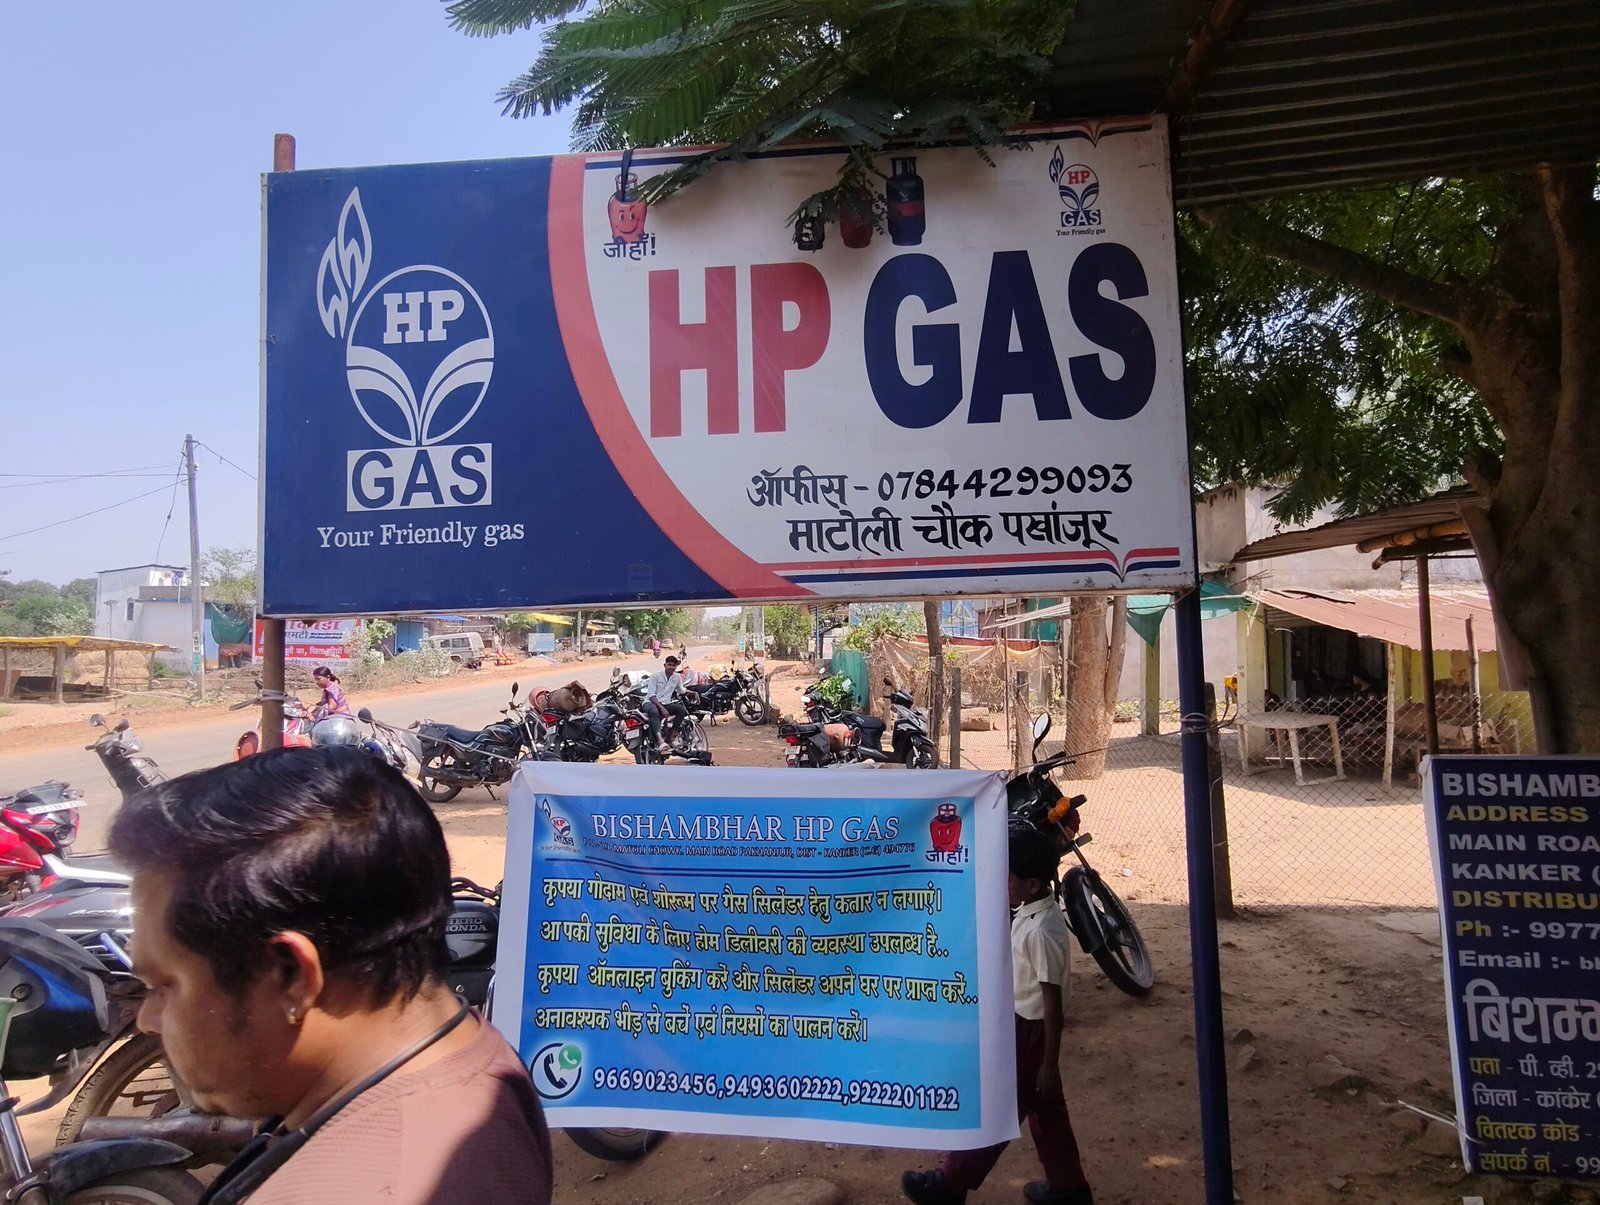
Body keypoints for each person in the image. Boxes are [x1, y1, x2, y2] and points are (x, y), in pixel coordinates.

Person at [110, 747, 553, 1205]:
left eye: (164, 986)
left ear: (292, 976)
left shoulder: (366, 1186)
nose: (147, 1020)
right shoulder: (465, 1049)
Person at [901, 825, 1094, 1205]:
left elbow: (1052, 1004)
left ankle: (950, 1184)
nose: (999, 882)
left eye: (1006, 877)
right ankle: (1068, 1188)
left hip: (1031, 1031)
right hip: (1026, 1026)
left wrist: (1048, 1064)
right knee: (1045, 1110)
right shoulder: (1032, 912)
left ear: (1032, 885)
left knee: (997, 1106)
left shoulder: (1042, 931)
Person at [643, 655, 687, 753]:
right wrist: (661, 708)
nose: (671, 667)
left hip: (666, 703)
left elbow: (680, 690)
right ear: (665, 665)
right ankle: (660, 741)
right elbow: (651, 695)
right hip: (650, 703)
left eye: (673, 665)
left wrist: (693, 692)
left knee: (681, 710)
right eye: (669, 665)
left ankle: (672, 737)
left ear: (676, 666)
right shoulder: (655, 676)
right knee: (654, 712)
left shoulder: (677, 677)